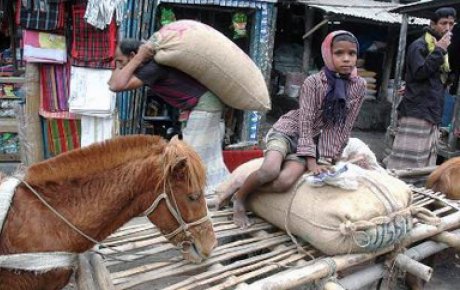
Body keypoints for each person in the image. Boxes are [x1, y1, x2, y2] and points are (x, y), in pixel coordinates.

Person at [219, 31, 367, 228]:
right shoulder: (313, 83)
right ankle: (240, 201)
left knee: (284, 183)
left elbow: (342, 125)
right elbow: (305, 121)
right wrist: (312, 162)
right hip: (289, 132)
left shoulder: (359, 86)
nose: (346, 58)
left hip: (312, 142)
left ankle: (243, 188)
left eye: (352, 53)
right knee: (269, 171)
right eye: (339, 53)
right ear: (328, 55)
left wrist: (326, 157)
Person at [108, 39, 229, 193]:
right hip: (203, 104)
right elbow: (112, 82)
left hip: (203, 104)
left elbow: (116, 85)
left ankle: (210, 195)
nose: (119, 67)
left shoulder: (153, 67)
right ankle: (220, 191)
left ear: (132, 55)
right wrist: (131, 60)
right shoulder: (147, 66)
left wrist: (138, 58)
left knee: (195, 156)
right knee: (207, 155)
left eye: (120, 61)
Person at [386, 7, 456, 172]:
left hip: (431, 110)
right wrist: (439, 50)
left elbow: (437, 78)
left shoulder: (443, 50)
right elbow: (419, 72)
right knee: (408, 158)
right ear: (432, 24)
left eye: (451, 24)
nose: (447, 28)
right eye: (443, 23)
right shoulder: (420, 45)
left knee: (425, 157)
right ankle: (400, 189)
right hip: (417, 109)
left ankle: (417, 190)